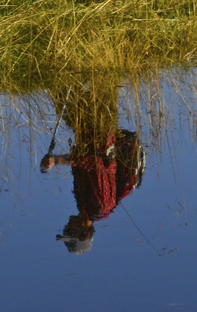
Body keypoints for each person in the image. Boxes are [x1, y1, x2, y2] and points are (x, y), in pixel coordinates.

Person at [40, 74, 146, 253]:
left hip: (86, 130)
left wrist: (66, 158)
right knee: (104, 75)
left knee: (62, 86)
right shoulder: (101, 206)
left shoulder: (83, 204)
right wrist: (57, 160)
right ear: (85, 231)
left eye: (66, 231)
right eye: (70, 231)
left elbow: (82, 164)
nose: (66, 227)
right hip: (99, 129)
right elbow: (97, 164)